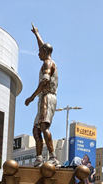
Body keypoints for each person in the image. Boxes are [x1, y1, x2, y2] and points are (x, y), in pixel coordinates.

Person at [24, 23, 60, 167]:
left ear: (44, 52)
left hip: (47, 96)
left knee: (44, 126)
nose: (38, 53)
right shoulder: (46, 57)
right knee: (36, 129)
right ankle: (39, 158)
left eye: (40, 52)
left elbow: (45, 82)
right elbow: (42, 46)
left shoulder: (47, 63)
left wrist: (31, 97)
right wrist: (37, 34)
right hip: (43, 97)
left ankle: (53, 157)